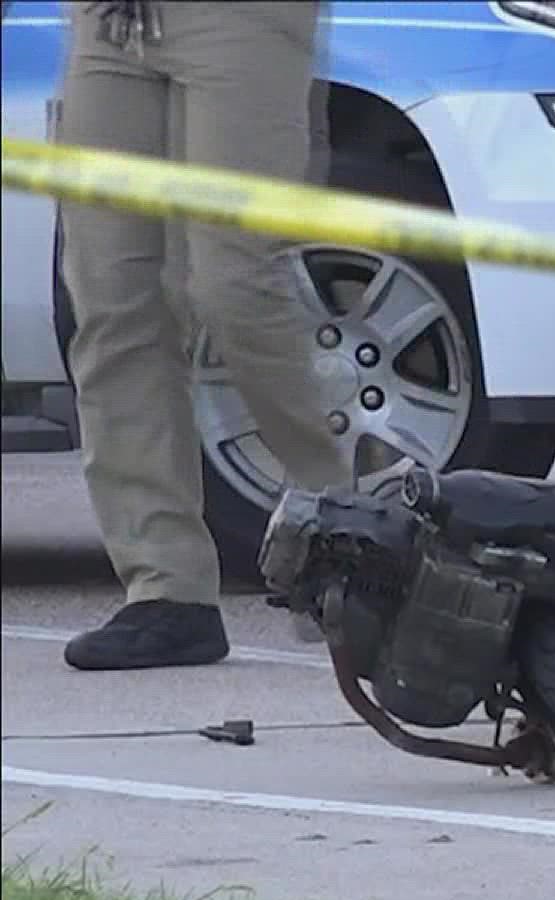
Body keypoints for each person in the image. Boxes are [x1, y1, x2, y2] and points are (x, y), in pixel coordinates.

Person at [55, 0, 355, 671]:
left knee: (235, 284)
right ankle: (167, 591)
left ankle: (352, 538)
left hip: (239, 17)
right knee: (111, 303)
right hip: (108, 19)